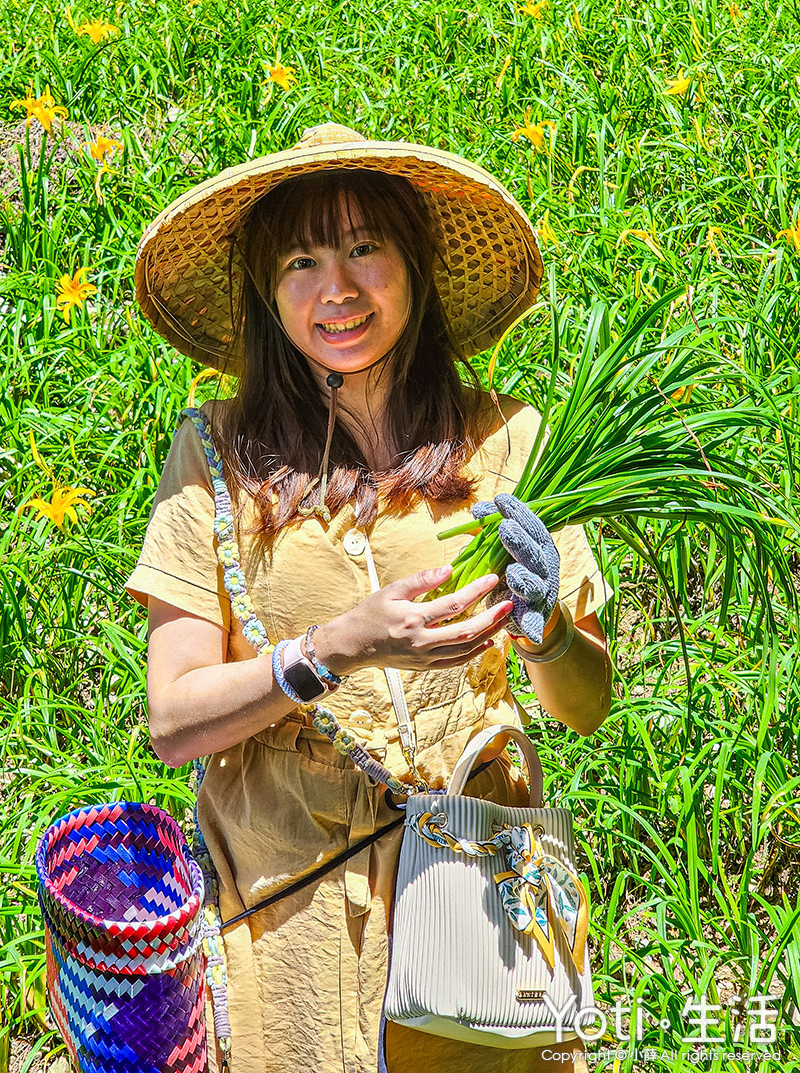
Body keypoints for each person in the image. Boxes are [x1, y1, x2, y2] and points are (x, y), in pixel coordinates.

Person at [125, 122, 613, 1073]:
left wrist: (548, 626)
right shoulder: (214, 458)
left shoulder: (502, 443)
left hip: (482, 887)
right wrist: (336, 647)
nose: (337, 289)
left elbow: (585, 707)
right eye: (302, 260)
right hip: (296, 916)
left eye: (364, 248)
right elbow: (175, 721)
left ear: (415, 270)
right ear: (269, 295)